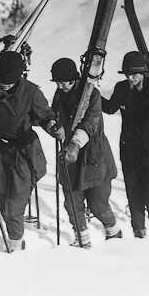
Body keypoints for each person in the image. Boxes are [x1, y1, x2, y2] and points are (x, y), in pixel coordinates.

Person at [0, 51, 61, 252]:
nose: (5, 84)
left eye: (9, 81)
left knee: (14, 203)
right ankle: (13, 236)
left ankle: (15, 245)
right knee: (0, 196)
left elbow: (45, 115)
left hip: (23, 153)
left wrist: (52, 126)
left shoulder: (31, 92)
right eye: (2, 80)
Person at [102, 51, 149, 238]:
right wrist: (91, 92)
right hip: (130, 149)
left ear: (143, 73)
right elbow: (110, 108)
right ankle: (138, 229)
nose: (130, 78)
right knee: (133, 192)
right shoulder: (122, 88)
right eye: (127, 74)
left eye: (134, 74)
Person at [50, 58, 121, 247]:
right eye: (57, 83)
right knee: (72, 203)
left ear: (73, 79)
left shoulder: (91, 93)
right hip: (70, 156)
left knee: (98, 205)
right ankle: (82, 239)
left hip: (93, 154)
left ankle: (114, 233)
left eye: (63, 82)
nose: (60, 86)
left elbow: (91, 121)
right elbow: (54, 115)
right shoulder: (59, 95)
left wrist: (76, 142)